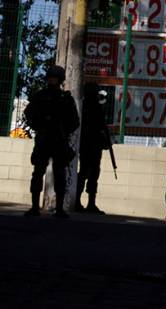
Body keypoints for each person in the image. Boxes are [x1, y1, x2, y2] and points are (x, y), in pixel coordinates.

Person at [23, 65, 80, 218]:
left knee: (59, 174)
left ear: (60, 80)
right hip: (44, 138)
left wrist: (63, 131)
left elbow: (75, 122)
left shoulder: (65, 99)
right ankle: (35, 207)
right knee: (38, 172)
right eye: (51, 77)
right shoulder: (40, 96)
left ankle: (59, 208)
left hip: (58, 140)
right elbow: (28, 114)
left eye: (55, 77)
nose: (52, 80)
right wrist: (40, 126)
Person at [75, 83, 112, 214]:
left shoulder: (88, 106)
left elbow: (102, 128)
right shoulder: (90, 107)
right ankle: (81, 202)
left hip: (91, 145)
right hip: (89, 145)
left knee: (91, 173)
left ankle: (89, 203)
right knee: (87, 172)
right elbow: (100, 127)